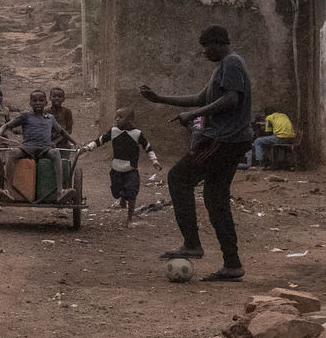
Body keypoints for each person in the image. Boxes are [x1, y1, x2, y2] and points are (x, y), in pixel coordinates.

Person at [139, 24, 253, 282]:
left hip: (224, 139)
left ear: (217, 43)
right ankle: (232, 265)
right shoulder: (221, 68)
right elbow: (200, 98)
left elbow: (231, 99)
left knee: (178, 178)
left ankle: (191, 244)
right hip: (233, 140)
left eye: (205, 47)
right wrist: (160, 99)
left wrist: (194, 115)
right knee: (216, 199)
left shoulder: (231, 62)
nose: (204, 52)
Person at [83, 107, 161, 225]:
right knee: (116, 192)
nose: (117, 119)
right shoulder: (114, 131)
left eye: (120, 117)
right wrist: (87, 147)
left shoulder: (137, 134)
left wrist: (154, 160)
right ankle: (123, 197)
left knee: (132, 194)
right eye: (116, 117)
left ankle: (129, 218)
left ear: (130, 120)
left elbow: (147, 147)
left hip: (131, 170)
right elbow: (100, 140)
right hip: (116, 169)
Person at [0, 89, 77, 203]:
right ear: (30, 103)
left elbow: (63, 132)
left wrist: (75, 143)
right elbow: (7, 125)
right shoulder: (25, 116)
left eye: (41, 100)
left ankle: (60, 192)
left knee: (55, 153)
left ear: (46, 102)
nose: (38, 103)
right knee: (13, 152)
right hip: (27, 148)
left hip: (45, 148)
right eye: (34, 101)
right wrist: (0, 132)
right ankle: (8, 191)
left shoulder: (50, 118)